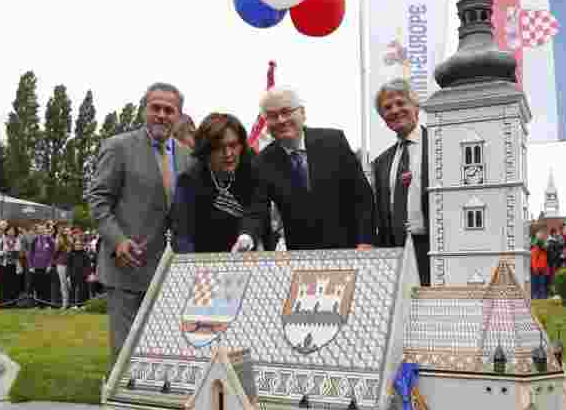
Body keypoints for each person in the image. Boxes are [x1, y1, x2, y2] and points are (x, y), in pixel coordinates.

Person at [87, 82, 194, 358]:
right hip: (126, 266)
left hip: (169, 270)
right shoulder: (118, 147)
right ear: (144, 110)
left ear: (179, 116)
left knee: (160, 351)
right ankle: (118, 399)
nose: (161, 115)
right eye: (155, 108)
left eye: (168, 110)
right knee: (125, 353)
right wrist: (118, 240)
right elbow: (98, 200)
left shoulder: (187, 156)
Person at [236, 87, 374, 253]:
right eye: (272, 116)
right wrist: (246, 237)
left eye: (286, 112)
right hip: (302, 257)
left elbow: (362, 197)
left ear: (302, 113)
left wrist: (366, 241)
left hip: (351, 250)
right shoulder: (262, 162)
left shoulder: (334, 142)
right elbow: (256, 209)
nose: (280, 120)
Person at [369, 79, 430, 286]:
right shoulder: (380, 163)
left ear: (416, 106)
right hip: (397, 254)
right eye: (387, 107)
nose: (395, 110)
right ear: (383, 118)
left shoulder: (440, 144)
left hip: (435, 250)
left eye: (400, 103)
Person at [171, 113, 261, 253]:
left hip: (244, 256)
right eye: (219, 148)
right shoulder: (189, 180)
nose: (228, 154)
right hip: (203, 262)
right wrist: (191, 264)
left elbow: (256, 210)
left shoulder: (251, 171)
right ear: (206, 150)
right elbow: (182, 232)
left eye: (233, 145)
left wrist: (246, 236)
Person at [28, 224, 55, 307]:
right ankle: (39, 304)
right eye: (40, 229)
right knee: (38, 286)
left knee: (46, 286)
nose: (42, 231)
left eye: (43, 229)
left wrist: (50, 265)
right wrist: (31, 266)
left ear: (45, 230)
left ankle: (47, 304)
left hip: (46, 266)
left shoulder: (49, 240)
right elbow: (31, 253)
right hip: (36, 266)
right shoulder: (35, 240)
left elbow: (52, 253)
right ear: (37, 231)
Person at [68, 236, 93, 308]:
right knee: (72, 290)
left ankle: (82, 304)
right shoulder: (71, 254)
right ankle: (72, 304)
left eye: (79, 245)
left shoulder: (85, 254)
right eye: (76, 244)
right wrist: (68, 275)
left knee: (83, 290)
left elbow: (88, 265)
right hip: (73, 274)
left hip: (83, 275)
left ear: (82, 246)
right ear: (74, 245)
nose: (78, 246)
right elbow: (68, 265)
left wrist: (88, 274)